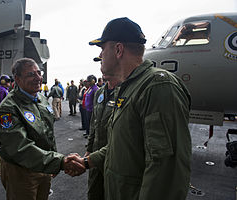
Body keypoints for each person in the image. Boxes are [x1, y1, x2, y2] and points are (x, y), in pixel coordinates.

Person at [67, 17, 192, 200]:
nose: (100, 56)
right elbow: (121, 145)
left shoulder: (158, 86)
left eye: (102, 49)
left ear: (118, 49)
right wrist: (87, 161)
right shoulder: (128, 88)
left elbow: (166, 169)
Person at [0, 58, 85, 200]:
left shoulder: (41, 99)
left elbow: (48, 132)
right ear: (17, 79)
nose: (38, 78)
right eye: (31, 74)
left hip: (43, 164)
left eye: (39, 73)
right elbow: (20, 148)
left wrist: (52, 161)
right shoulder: (8, 108)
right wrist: (58, 162)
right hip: (21, 170)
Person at [85, 68, 118, 200]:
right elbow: (94, 122)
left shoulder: (125, 91)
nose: (102, 64)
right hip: (95, 153)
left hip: (114, 156)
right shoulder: (100, 92)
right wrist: (89, 148)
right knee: (94, 191)